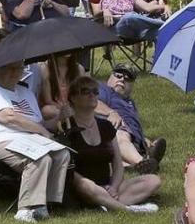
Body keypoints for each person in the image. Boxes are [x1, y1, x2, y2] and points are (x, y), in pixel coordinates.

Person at [0, 60, 70, 223]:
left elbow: (39, 124)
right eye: (8, 68)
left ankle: (45, 204)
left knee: (62, 154)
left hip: (30, 139)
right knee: (39, 158)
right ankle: (25, 210)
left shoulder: (26, 93)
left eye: (17, 68)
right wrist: (41, 131)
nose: (14, 72)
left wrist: (61, 116)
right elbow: (8, 117)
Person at [65, 75, 161, 213]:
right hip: (83, 187)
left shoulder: (106, 126)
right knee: (85, 185)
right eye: (86, 91)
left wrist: (114, 187)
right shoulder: (66, 127)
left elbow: (117, 163)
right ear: (73, 98)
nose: (92, 95)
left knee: (153, 180)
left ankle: (105, 205)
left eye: (95, 92)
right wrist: (98, 189)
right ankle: (128, 210)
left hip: (108, 184)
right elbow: (70, 171)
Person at [96, 64, 167, 172]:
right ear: (110, 77)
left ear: (132, 86)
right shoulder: (103, 89)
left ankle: (137, 163)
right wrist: (111, 112)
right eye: (118, 75)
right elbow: (94, 103)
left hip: (132, 139)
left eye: (127, 78)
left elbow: (133, 124)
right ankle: (142, 162)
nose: (122, 79)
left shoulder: (130, 102)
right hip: (116, 131)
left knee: (126, 140)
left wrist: (143, 138)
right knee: (120, 134)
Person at [36, 53, 82, 124]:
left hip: (73, 106)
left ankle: (70, 121)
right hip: (54, 107)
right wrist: (62, 108)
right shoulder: (45, 68)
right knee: (47, 110)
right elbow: (48, 100)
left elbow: (81, 95)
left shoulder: (78, 69)